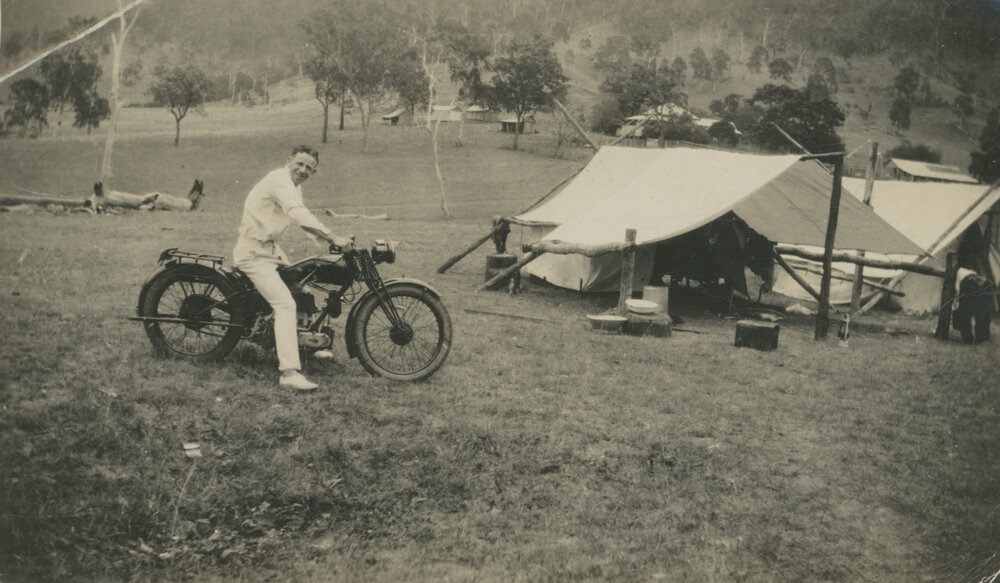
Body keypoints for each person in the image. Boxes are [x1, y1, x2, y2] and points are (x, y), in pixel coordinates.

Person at [233, 145, 353, 392]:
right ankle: (288, 372)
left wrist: (328, 242)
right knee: (285, 304)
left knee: (301, 288)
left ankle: (308, 344)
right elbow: (297, 213)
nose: (304, 170)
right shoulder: (279, 179)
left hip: (269, 250)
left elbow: (303, 221)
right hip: (253, 253)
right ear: (288, 161)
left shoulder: (294, 186)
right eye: (300, 164)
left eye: (310, 168)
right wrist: (332, 237)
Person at [952, 267, 994, 344]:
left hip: (968, 284)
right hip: (980, 284)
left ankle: (968, 339)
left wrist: (956, 301)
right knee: (982, 312)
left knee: (965, 313)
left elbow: (957, 289)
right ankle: (982, 338)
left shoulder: (959, 271)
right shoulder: (973, 271)